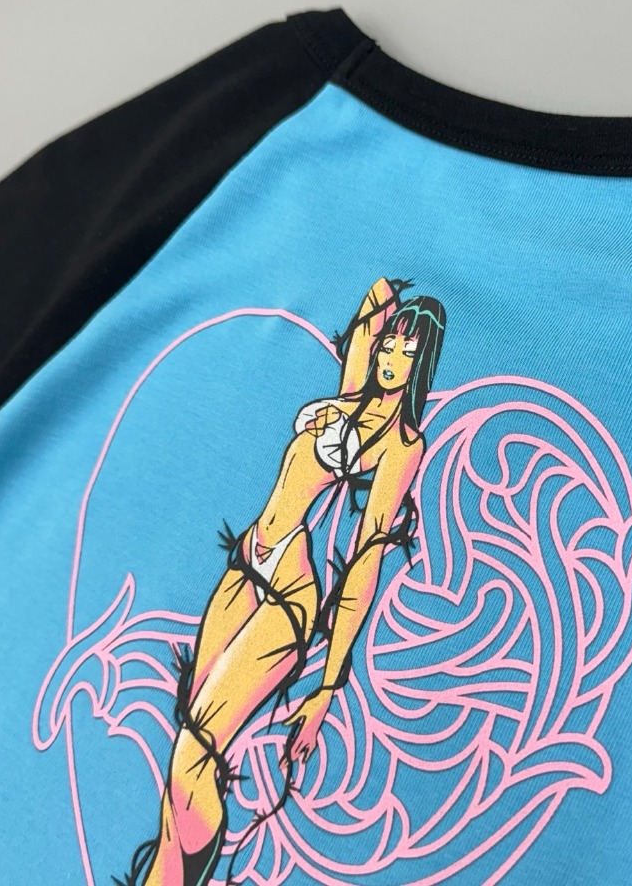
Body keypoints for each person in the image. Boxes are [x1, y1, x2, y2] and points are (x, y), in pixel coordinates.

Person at [118, 277, 447, 886]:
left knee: (197, 751)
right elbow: (376, 296)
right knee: (186, 745)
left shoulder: (401, 446)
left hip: (287, 598)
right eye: (388, 344)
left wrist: (328, 686)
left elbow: (365, 561)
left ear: (422, 364)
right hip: (245, 565)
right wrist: (394, 313)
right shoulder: (350, 394)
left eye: (408, 351)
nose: (390, 356)